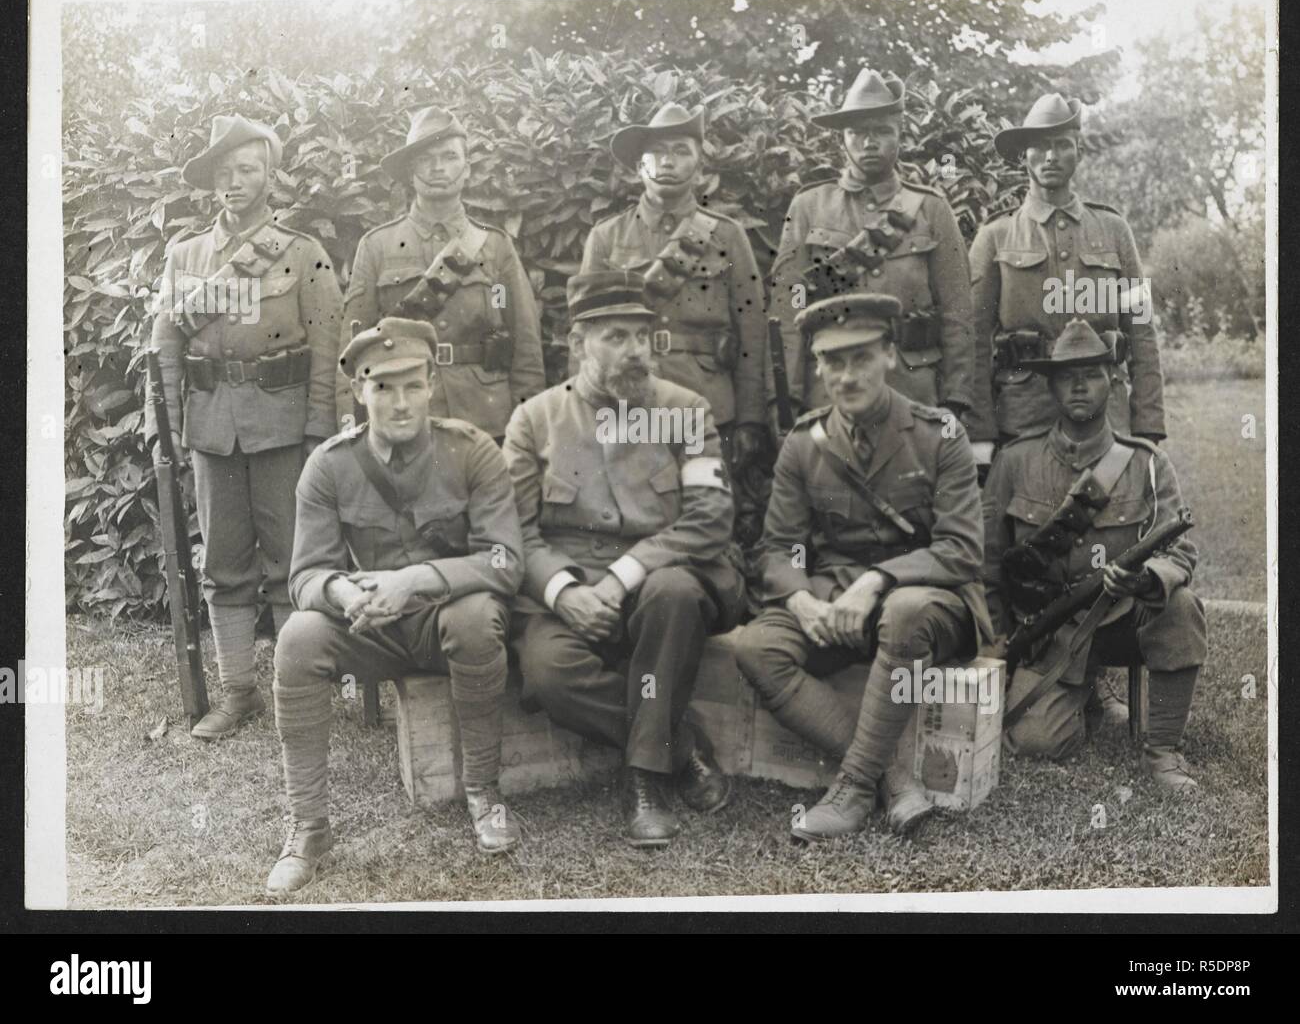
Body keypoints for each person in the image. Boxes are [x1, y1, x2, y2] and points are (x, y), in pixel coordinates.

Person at [267, 318, 526, 895]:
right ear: (360, 391)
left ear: (433, 382)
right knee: (298, 638)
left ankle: (484, 794)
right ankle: (308, 826)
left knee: (478, 616)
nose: (399, 402)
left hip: (444, 622)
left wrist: (414, 580)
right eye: (382, 387)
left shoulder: (472, 451)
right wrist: (340, 592)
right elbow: (304, 575)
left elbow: (506, 562)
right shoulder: (330, 465)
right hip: (372, 629)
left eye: (412, 385)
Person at [734, 292, 992, 840]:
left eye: (861, 358)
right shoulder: (804, 444)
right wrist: (802, 599)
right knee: (755, 646)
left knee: (901, 611)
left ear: (891, 356)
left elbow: (962, 550)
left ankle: (852, 788)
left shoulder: (939, 434)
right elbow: (777, 548)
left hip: (929, 602)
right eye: (832, 361)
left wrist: (878, 580)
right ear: (819, 367)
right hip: (836, 599)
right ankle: (892, 777)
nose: (846, 376)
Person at [503, 270, 746, 847]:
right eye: (616, 337)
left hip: (671, 578)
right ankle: (681, 748)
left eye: (642, 335)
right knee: (548, 673)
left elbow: (710, 519)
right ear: (577, 341)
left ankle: (645, 781)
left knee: (674, 592)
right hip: (572, 589)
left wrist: (623, 575)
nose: (635, 351)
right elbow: (511, 532)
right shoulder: (534, 419)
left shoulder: (686, 409)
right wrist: (564, 592)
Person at [143, 113, 342, 740]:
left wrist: (318, 433)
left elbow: (328, 345)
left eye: (247, 170)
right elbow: (164, 348)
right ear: (211, 183)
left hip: (283, 428)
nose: (235, 182)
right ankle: (238, 693)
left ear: (269, 176)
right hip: (211, 431)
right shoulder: (185, 256)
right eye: (224, 173)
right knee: (223, 562)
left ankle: (296, 691)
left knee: (291, 561)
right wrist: (163, 430)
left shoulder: (303, 254)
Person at [982, 318, 1204, 787]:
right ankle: (1082, 695)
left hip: (1120, 618)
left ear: (1113, 381)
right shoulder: (1015, 462)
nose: (1078, 385)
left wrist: (1146, 581)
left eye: (1091, 373)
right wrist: (997, 639)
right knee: (1038, 742)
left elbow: (1180, 552)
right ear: (1051, 386)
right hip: (1052, 631)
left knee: (1180, 604)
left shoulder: (1146, 462)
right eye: (1066, 376)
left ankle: (1162, 750)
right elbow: (988, 561)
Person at [968, 92, 1166, 475]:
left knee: (1114, 524)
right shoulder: (995, 236)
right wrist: (980, 432)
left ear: (1078, 151)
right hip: (1024, 413)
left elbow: (1141, 331)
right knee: (1026, 525)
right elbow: (973, 341)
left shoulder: (1114, 230)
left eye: (1062, 145)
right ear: (1023, 155)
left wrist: (1148, 426)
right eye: (1040, 146)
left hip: (1106, 415)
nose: (1051, 156)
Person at [767, 68, 974, 428]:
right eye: (858, 132)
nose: (869, 142)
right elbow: (789, 309)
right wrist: (787, 400)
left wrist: (956, 401)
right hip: (829, 390)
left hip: (912, 390)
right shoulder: (808, 207)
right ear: (842, 140)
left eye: (881, 131)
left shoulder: (931, 209)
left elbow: (958, 315)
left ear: (899, 136)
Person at [337, 106, 545, 441]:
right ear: (410, 171)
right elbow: (352, 350)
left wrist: (527, 433)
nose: (437, 168)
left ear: (467, 170)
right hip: (404, 416)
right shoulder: (376, 246)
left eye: (449, 157)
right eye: (426, 159)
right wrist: (350, 428)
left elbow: (525, 349)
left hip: (485, 417)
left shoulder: (494, 247)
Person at [579, 102, 768, 472]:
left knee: (707, 508)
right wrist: (586, 409)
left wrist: (750, 418)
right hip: (627, 401)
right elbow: (586, 331)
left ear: (699, 169)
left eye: (682, 152)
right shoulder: (606, 236)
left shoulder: (728, 236)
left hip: (708, 402)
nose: (668, 162)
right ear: (639, 168)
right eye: (657, 153)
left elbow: (752, 333)